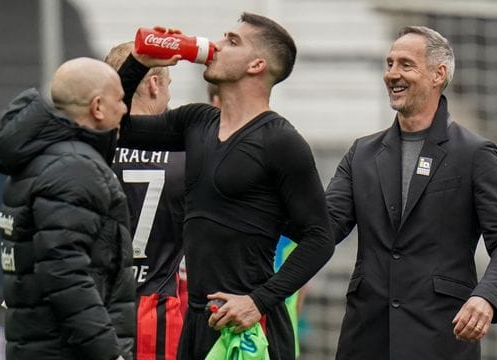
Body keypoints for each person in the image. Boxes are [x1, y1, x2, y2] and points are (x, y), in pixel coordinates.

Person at [116, 13, 335, 360]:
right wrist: (138, 64)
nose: (216, 46)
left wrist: (257, 301)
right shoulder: (197, 121)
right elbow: (117, 124)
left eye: (232, 41)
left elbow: (320, 238)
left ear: (257, 65)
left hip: (249, 325)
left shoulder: (281, 141)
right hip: (199, 320)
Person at [326, 26, 497, 359]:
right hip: (365, 339)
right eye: (389, 64)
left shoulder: (475, 154)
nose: (392, 74)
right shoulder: (360, 153)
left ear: (439, 74)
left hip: (441, 339)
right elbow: (323, 227)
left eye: (405, 64)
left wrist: (486, 297)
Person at [0, 57, 134, 360]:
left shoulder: (41, 160)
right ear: (97, 107)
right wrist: (109, 354)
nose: (125, 109)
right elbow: (65, 273)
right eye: (119, 99)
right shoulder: (76, 167)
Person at [207, 81, 306, 358]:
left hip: (268, 333)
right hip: (214, 328)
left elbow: (310, 252)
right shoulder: (202, 181)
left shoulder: (277, 177)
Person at [105, 41, 187, 360]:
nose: (168, 96)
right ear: (153, 84)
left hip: (97, 309)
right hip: (155, 314)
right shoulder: (185, 155)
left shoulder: (93, 150)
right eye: (167, 85)